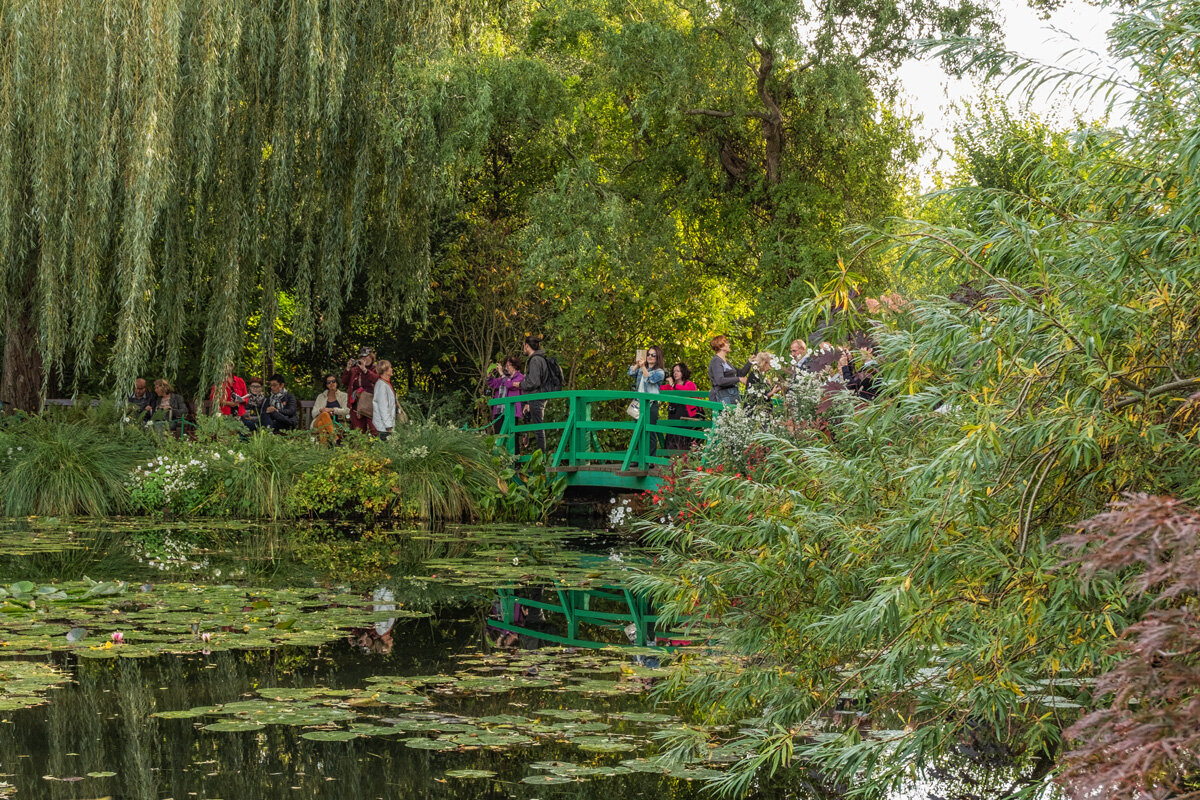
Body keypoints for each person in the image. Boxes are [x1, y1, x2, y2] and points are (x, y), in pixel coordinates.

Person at [628, 345, 665, 456]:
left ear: (657, 357)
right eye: (648, 354)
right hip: (639, 404)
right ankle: (639, 457)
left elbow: (650, 379)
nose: (650, 356)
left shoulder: (660, 372)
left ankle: (650, 458)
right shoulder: (640, 369)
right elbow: (630, 373)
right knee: (638, 431)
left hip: (651, 404)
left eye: (653, 355)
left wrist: (643, 367)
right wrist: (638, 364)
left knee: (650, 432)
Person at [518, 336, 550, 454]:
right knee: (533, 427)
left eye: (524, 346)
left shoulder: (536, 360)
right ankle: (538, 456)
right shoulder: (539, 358)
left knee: (538, 428)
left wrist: (520, 384)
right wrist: (527, 402)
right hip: (535, 397)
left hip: (537, 397)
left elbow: (534, 382)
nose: (523, 349)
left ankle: (541, 458)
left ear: (527, 345)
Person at [661, 362, 700, 450]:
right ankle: (669, 460)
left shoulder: (690, 384)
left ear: (683, 372)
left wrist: (674, 385)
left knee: (686, 439)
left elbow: (688, 392)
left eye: (678, 371)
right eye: (674, 371)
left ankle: (686, 460)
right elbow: (657, 388)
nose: (675, 373)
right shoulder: (669, 386)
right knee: (672, 437)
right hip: (673, 416)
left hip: (688, 418)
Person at [342, 347, 380, 434]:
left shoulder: (376, 369)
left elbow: (377, 380)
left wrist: (365, 370)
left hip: (371, 403)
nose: (364, 360)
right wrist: (348, 368)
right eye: (362, 358)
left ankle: (377, 447)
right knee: (358, 431)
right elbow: (344, 381)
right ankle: (361, 448)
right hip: (356, 403)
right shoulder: (355, 369)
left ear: (372, 357)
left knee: (374, 430)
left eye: (366, 357)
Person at [707, 335, 751, 405]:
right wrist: (738, 379)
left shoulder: (726, 362)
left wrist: (750, 362)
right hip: (720, 398)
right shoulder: (716, 361)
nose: (729, 344)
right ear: (720, 346)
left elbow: (741, 374)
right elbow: (720, 380)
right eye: (726, 342)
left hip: (730, 395)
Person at [487, 356, 524, 436]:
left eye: (508, 366)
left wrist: (501, 374)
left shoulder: (520, 377)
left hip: (511, 412)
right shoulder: (504, 377)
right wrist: (489, 375)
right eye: (505, 366)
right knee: (498, 436)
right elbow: (493, 383)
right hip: (499, 411)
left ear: (514, 366)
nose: (506, 368)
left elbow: (510, 385)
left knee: (512, 437)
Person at [311, 374, 349, 441]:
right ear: (326, 385)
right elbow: (313, 413)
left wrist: (333, 410)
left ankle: (324, 447)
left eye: (333, 381)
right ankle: (335, 437)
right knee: (324, 414)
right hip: (317, 421)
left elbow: (347, 410)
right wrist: (320, 410)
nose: (331, 383)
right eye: (328, 382)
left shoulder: (344, 396)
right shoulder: (321, 396)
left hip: (336, 424)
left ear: (337, 382)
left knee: (321, 424)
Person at [372, 360, 397, 441]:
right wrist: (388, 426)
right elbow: (383, 407)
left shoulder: (386, 384)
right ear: (385, 370)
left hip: (385, 426)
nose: (392, 369)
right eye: (390, 367)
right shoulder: (381, 385)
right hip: (383, 428)